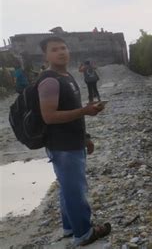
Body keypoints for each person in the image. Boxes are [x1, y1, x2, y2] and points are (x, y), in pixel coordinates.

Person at [37, 36, 111, 246]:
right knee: (75, 189)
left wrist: (85, 137)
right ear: (46, 55)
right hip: (62, 145)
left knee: (67, 187)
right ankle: (84, 233)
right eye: (54, 50)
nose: (61, 52)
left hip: (73, 141)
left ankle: (70, 227)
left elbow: (72, 111)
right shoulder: (50, 80)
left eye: (63, 48)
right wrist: (85, 111)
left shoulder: (67, 75)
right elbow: (49, 116)